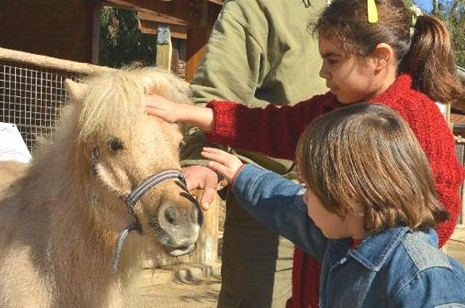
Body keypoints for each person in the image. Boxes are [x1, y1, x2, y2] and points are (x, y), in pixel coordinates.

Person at [146, 0, 465, 306]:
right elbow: (262, 124)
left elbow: (441, 207)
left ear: (379, 58)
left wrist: (375, 254)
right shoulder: (329, 110)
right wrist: (182, 113)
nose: (322, 72)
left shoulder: (418, 121)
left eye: (333, 59)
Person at [199, 102, 465, 307]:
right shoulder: (346, 237)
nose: (303, 196)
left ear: (345, 193)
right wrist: (240, 174)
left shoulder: (421, 275)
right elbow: (285, 206)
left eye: (309, 187)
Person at [178, 0, 327, 307]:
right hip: (272, 207)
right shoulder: (257, 6)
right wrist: (202, 156)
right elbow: (214, 94)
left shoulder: (368, 7)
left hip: (360, 211)